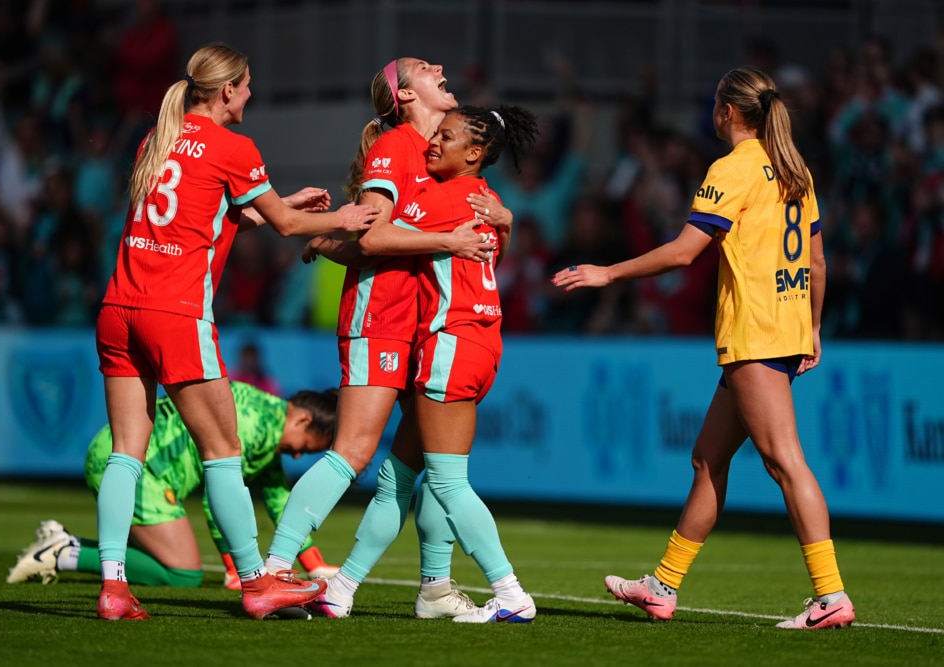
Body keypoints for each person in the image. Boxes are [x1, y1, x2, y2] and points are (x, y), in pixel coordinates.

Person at [552, 66, 854, 630]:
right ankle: (662, 586)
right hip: (785, 327)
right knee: (708, 459)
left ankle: (831, 595)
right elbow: (816, 261)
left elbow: (683, 253)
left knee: (785, 461)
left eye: (716, 102)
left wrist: (608, 273)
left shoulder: (732, 169)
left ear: (728, 113)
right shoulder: (794, 168)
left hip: (755, 334)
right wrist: (812, 327)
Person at [94, 42, 378, 621]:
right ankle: (256, 582)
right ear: (228, 90)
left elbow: (205, 216)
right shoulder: (234, 147)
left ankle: (113, 586)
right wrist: (341, 218)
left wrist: (275, 205)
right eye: (247, 85)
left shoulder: (158, 137)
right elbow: (289, 225)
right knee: (223, 452)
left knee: (127, 452)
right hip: (174, 315)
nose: (251, 94)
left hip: (118, 308)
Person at [263, 57, 507, 620]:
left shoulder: (439, 159)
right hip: (382, 319)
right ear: (403, 94)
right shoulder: (398, 146)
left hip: (424, 333)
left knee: (420, 474)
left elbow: (455, 244)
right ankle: (274, 571)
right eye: (424, 67)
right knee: (352, 451)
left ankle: (430, 586)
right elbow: (373, 237)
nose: (440, 67)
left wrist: (506, 222)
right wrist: (443, 241)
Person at [323, 103, 541, 624]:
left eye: (447, 137)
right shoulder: (489, 201)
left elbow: (374, 240)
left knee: (446, 483)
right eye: (435, 134)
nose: (433, 144)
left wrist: (321, 239)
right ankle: (342, 589)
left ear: (476, 152)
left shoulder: (444, 196)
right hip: (481, 341)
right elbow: (495, 253)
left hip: (451, 342)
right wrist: (508, 225)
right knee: (398, 477)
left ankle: (510, 593)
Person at [6, 382, 339, 590]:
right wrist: (234, 568)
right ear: (302, 420)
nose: (297, 456)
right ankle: (65, 552)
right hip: (142, 467)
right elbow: (217, 497)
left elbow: (279, 497)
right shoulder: (255, 427)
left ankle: (64, 545)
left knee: (173, 563)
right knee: (182, 573)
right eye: (305, 447)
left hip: (122, 453)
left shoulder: (266, 420)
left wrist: (314, 565)